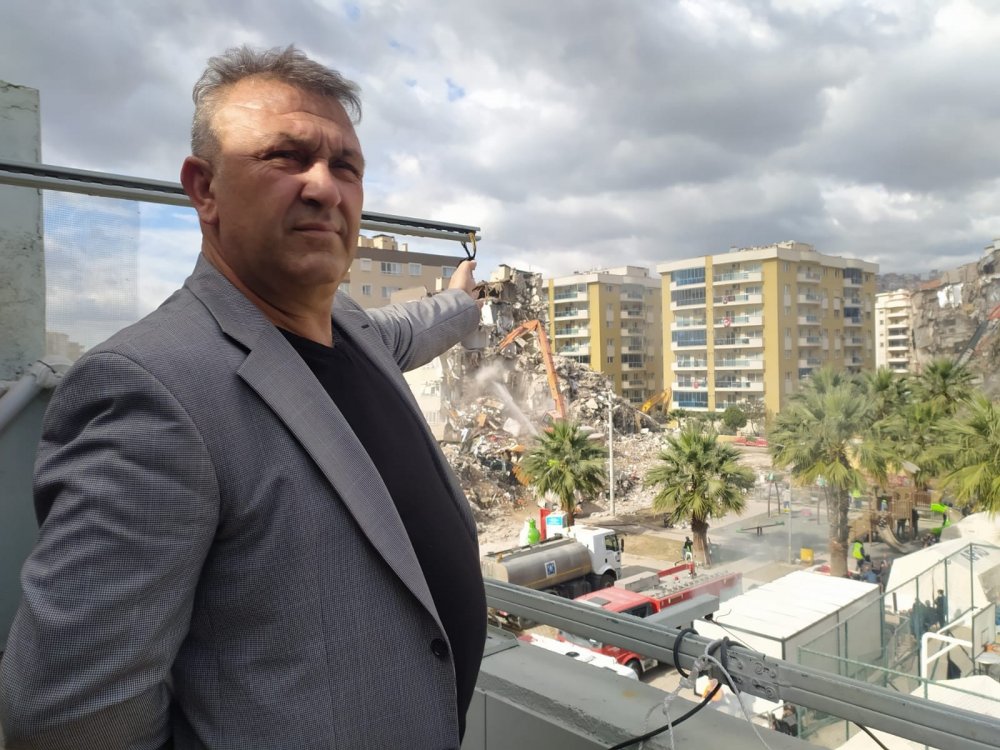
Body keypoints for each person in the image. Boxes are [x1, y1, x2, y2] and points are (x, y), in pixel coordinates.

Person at [0, 44, 486, 749]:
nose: (325, 187)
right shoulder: (149, 387)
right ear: (204, 189)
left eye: (346, 167)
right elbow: (70, 721)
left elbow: (409, 327)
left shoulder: (351, 329)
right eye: (286, 157)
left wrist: (463, 303)